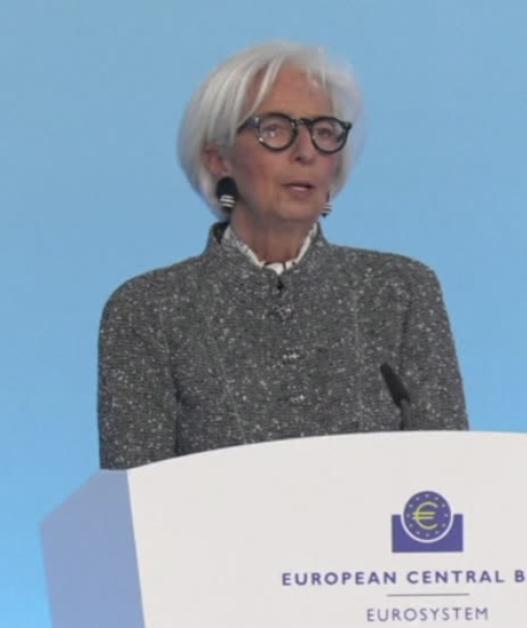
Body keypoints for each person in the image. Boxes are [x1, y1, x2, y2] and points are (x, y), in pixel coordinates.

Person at [98, 41, 467, 469]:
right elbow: (135, 499)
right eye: (275, 129)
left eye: (324, 132)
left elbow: (450, 481)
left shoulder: (401, 291)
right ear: (218, 159)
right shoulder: (149, 311)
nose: (306, 151)